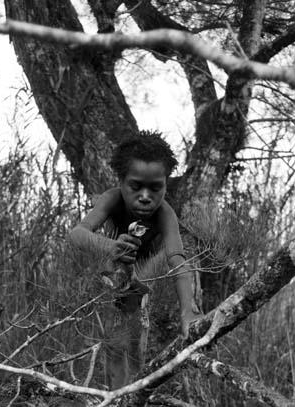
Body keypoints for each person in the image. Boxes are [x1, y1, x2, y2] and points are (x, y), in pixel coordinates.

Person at [69, 130, 203, 389]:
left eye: (155, 187)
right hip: (108, 278)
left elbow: (178, 260)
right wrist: (110, 247)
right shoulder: (111, 199)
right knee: (114, 344)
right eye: (136, 186)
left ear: (165, 184)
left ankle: (130, 399)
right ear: (120, 181)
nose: (145, 195)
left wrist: (189, 312)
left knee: (134, 346)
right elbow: (76, 234)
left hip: (142, 280)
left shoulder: (165, 214)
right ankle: (115, 399)